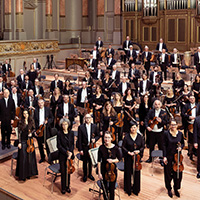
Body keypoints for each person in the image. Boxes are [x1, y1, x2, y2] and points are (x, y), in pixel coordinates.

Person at [163, 120, 184, 198]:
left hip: (178, 158)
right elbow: (164, 145)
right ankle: (169, 189)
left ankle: (176, 189)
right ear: (170, 125)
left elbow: (182, 143)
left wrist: (180, 148)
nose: (173, 126)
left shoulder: (180, 134)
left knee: (178, 174)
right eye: (172, 125)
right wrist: (164, 157)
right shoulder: (166, 134)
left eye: (174, 125)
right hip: (169, 156)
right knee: (168, 173)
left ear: (177, 125)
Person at [122, 122, 144, 196]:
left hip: (136, 158)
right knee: (128, 173)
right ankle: (128, 189)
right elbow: (123, 147)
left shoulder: (140, 137)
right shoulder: (126, 137)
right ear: (129, 128)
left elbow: (142, 147)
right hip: (128, 157)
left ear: (137, 128)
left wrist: (139, 151)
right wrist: (128, 152)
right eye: (132, 127)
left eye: (134, 127)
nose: (133, 129)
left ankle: (136, 189)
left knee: (137, 173)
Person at [98, 131, 121, 200]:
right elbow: (99, 161)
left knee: (111, 189)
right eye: (105, 137)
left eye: (108, 137)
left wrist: (113, 161)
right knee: (104, 188)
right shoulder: (101, 148)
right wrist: (99, 173)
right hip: (103, 170)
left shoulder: (115, 148)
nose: (106, 139)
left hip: (112, 171)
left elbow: (119, 158)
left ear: (112, 138)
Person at [15, 109, 38, 181]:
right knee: (23, 158)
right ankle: (23, 175)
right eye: (24, 114)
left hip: (30, 142)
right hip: (23, 141)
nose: (25, 115)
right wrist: (19, 142)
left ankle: (29, 174)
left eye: (26, 113)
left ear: (28, 114)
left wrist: (32, 133)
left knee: (30, 158)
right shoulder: (20, 122)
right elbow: (19, 133)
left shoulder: (31, 121)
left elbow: (34, 129)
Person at [145, 100, 168, 164]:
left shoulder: (164, 112)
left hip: (160, 132)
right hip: (152, 132)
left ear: (160, 105)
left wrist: (161, 121)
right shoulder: (151, 111)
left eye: (158, 104)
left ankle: (161, 159)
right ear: (154, 105)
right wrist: (147, 127)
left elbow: (166, 122)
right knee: (151, 145)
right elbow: (146, 119)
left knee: (161, 146)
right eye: (156, 104)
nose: (157, 106)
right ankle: (150, 158)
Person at [78, 114, 99, 182]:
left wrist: (95, 139)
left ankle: (90, 174)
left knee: (90, 161)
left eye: (89, 118)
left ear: (91, 119)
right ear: (84, 119)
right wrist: (80, 149)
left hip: (92, 146)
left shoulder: (94, 126)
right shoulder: (81, 127)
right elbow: (79, 139)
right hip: (84, 147)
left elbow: (98, 135)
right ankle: (85, 175)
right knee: (85, 161)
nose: (88, 119)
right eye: (86, 118)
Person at [57, 118, 74, 194]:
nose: (65, 126)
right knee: (63, 172)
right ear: (61, 125)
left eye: (66, 124)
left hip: (69, 155)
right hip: (62, 155)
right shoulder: (59, 133)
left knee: (68, 171)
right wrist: (66, 153)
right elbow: (59, 146)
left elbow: (72, 144)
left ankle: (68, 186)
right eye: (63, 124)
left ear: (68, 125)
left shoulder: (71, 133)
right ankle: (63, 187)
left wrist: (70, 153)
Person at [182, 94, 200, 161]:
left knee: (196, 137)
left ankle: (196, 152)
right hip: (190, 124)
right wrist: (189, 117)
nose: (192, 100)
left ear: (195, 99)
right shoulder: (186, 105)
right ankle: (190, 152)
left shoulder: (198, 105)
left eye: (193, 98)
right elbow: (183, 114)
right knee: (190, 139)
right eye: (191, 98)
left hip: (197, 124)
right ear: (189, 99)